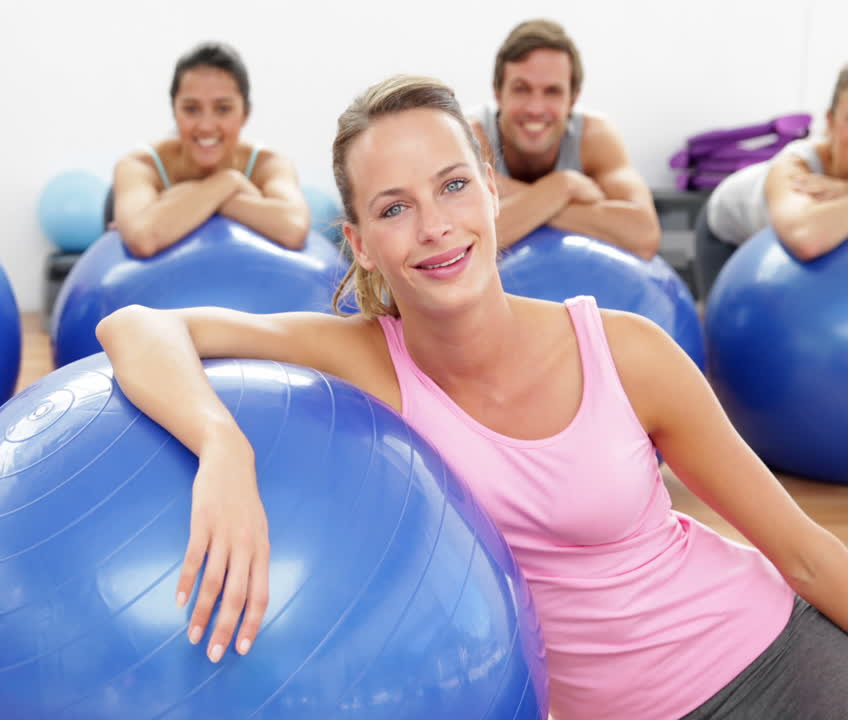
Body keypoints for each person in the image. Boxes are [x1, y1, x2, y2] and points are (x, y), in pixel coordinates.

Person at [96, 75, 848, 720]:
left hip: (779, 663)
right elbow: (137, 325)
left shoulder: (625, 352)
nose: (435, 227)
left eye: (453, 185)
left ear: (490, 192)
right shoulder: (366, 361)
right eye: (394, 208)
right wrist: (219, 446)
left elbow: (807, 556)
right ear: (360, 244)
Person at [470, 20, 660, 259]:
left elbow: (644, 235)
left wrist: (521, 202)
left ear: (573, 99)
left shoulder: (594, 136)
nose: (535, 108)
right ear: (498, 94)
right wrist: (563, 187)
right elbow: (471, 243)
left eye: (552, 91)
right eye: (521, 88)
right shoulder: (470, 137)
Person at [111, 42, 309, 257]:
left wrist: (185, 197)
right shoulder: (139, 165)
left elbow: (294, 228)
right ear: (174, 112)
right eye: (191, 109)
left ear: (245, 113)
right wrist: (232, 184)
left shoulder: (270, 164)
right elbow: (143, 238)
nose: (206, 126)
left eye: (223, 109)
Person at [696, 65, 848, 296]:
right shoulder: (795, 165)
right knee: (719, 320)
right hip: (726, 229)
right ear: (830, 122)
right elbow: (807, 238)